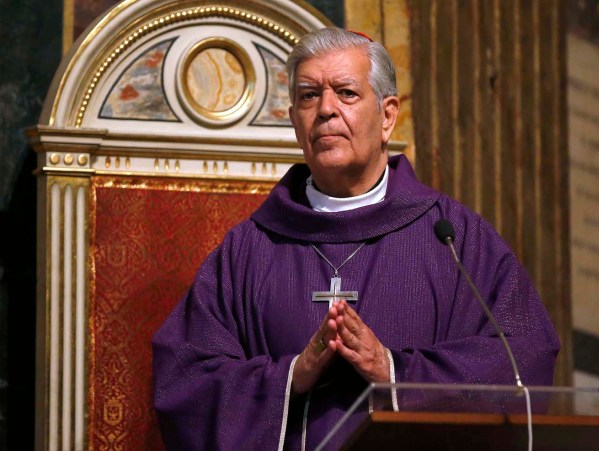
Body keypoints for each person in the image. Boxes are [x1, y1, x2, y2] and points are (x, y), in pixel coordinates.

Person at [153, 27, 560, 450]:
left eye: (346, 92)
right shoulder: (250, 250)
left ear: (387, 116)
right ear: (295, 121)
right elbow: (184, 379)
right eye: (309, 96)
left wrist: (393, 372)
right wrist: (292, 376)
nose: (326, 109)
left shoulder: (453, 238)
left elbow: (523, 359)